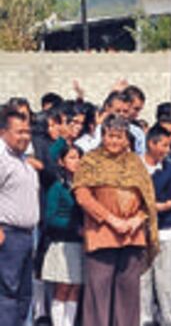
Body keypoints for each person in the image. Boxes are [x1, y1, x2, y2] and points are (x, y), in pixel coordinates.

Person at [73, 115, 157, 326]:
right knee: (98, 293)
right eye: (110, 136)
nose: (114, 141)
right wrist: (112, 220)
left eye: (119, 137)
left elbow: (148, 198)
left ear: (127, 139)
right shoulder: (90, 161)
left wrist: (137, 220)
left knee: (128, 294)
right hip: (102, 235)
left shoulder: (135, 163)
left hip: (132, 235)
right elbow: (83, 196)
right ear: (102, 136)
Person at [0, 103, 38, 324]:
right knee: (7, 295)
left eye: (28, 132)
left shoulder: (22, 160)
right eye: (20, 132)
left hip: (25, 236)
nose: (25, 137)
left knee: (24, 296)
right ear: (3, 132)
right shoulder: (2, 159)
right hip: (8, 236)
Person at [140, 125, 171, 326]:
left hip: (165, 232)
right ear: (151, 143)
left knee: (167, 285)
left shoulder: (170, 168)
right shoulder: (135, 168)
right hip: (139, 233)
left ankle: (169, 321)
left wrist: (154, 206)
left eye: (169, 145)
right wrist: (154, 205)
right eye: (163, 145)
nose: (167, 150)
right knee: (142, 283)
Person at [42, 144, 84, 326]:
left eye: (78, 157)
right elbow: (50, 218)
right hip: (63, 243)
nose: (76, 162)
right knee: (62, 288)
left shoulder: (84, 187)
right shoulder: (57, 187)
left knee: (75, 287)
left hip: (81, 243)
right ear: (61, 161)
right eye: (71, 157)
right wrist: (73, 227)